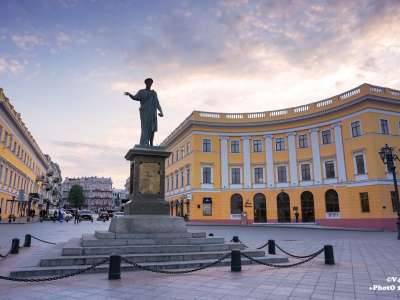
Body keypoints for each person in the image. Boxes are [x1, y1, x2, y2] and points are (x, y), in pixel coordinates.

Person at [124, 78, 164, 146]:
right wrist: (129, 94)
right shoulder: (141, 92)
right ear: (146, 83)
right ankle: (145, 142)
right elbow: (135, 97)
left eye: (151, 83)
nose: (150, 84)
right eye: (148, 82)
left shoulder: (153, 93)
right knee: (145, 127)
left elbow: (157, 103)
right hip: (145, 113)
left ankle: (151, 143)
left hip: (152, 112)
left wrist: (161, 111)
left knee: (152, 127)